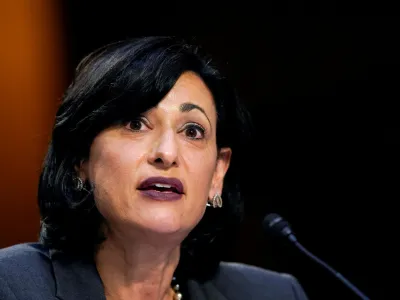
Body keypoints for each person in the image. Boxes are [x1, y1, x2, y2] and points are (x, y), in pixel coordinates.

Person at [0, 36, 308, 300]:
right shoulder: (12, 285)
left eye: (192, 131)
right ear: (82, 159)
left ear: (217, 174)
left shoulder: (271, 294)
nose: (166, 153)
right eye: (135, 124)